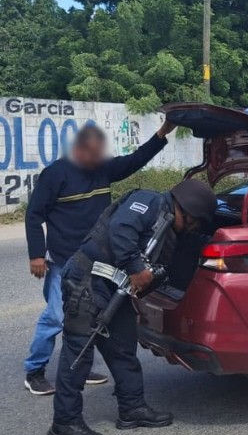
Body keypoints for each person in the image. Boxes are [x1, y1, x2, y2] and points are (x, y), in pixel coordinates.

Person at [48, 179, 218, 435]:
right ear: (185, 209)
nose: (194, 228)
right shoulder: (150, 201)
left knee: (123, 347)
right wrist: (137, 268)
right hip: (87, 281)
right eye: (195, 222)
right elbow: (121, 229)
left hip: (114, 288)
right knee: (78, 353)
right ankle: (64, 424)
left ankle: (132, 408)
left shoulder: (167, 225)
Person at [24, 121, 177, 396]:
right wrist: (36, 254)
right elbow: (34, 215)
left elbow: (135, 161)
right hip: (63, 258)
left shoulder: (102, 169)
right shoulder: (55, 174)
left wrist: (161, 134)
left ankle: (79, 366)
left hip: (95, 257)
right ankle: (34, 370)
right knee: (57, 316)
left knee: (91, 312)